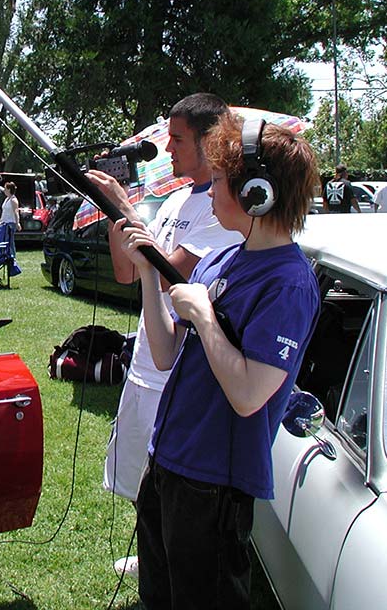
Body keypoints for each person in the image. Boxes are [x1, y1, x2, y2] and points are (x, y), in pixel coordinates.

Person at [119, 111, 320, 610]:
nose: (210, 191)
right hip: (166, 462)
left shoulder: (288, 284)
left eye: (223, 180)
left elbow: (250, 395)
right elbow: (164, 354)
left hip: (213, 484)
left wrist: (206, 319)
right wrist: (149, 275)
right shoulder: (220, 259)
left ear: (258, 192)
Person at [86, 93, 241, 579]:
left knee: (172, 482)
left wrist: (126, 210)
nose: (167, 148)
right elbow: (126, 272)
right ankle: (151, 553)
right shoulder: (175, 200)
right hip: (147, 359)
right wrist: (116, 214)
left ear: (210, 142)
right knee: (140, 474)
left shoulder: (222, 209)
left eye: (177, 139)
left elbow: (172, 274)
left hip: (179, 368)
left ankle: (168, 563)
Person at [0, 180, 20, 254]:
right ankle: (6, 256)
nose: (4, 190)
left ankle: (12, 257)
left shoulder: (13, 200)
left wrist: (17, 223)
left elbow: (16, 212)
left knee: (10, 241)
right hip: (4, 223)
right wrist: (0, 221)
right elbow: (4, 211)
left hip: (11, 223)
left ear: (9, 189)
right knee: (5, 241)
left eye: (5, 189)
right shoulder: (7, 199)